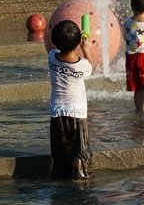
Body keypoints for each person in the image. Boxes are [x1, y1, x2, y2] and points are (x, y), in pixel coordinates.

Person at [48, 19, 93, 179]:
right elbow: (90, 69)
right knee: (80, 151)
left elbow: (54, 48)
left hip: (57, 113)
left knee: (60, 150)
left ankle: (60, 176)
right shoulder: (81, 65)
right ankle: (81, 179)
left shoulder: (52, 56)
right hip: (77, 114)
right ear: (78, 43)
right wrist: (86, 48)